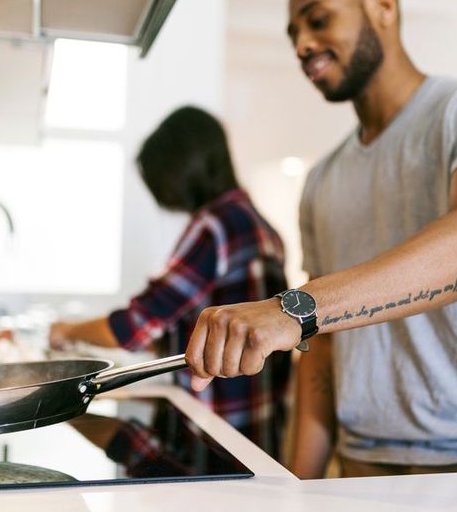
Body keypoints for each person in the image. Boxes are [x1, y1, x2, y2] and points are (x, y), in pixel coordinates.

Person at [184, 0, 457, 478]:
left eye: (317, 20)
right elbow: (320, 349)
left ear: (383, 6)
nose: (301, 45)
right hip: (364, 460)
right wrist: (293, 487)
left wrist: (294, 308)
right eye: (293, 33)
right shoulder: (322, 180)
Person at [50, 106, 291, 460]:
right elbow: (205, 331)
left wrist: (65, 332)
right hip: (258, 433)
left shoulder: (216, 227)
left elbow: (132, 327)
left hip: (213, 436)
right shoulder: (261, 227)